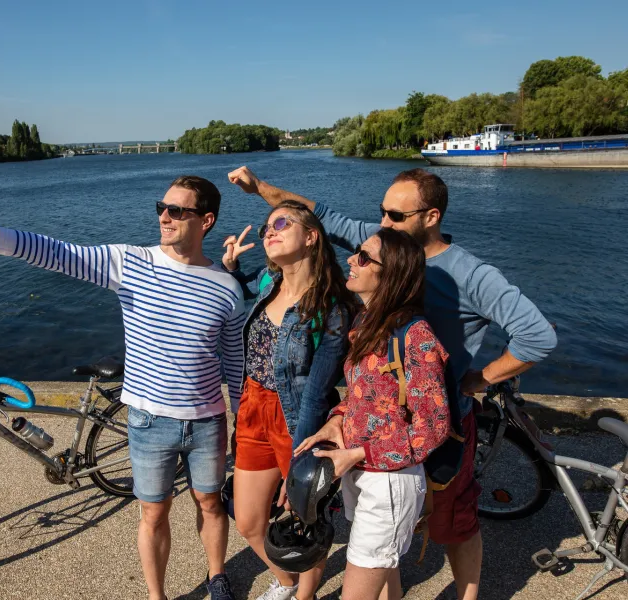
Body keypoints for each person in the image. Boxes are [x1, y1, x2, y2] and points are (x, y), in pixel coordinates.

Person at [227, 166, 557, 600]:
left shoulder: (472, 277)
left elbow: (538, 336)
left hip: (434, 424)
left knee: (452, 525)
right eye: (381, 212)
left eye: (395, 217)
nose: (381, 223)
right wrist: (259, 189)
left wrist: (474, 380)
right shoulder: (373, 277)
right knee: (388, 545)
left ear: (431, 216)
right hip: (379, 426)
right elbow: (321, 215)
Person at [0, 176, 244, 600]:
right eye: (162, 206)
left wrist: (245, 419)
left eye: (178, 210)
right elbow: (57, 253)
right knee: (154, 512)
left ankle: (218, 577)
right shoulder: (131, 262)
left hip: (208, 421)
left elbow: (234, 363)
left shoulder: (227, 287)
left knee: (210, 504)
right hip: (148, 418)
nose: (164, 215)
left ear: (206, 220)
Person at [296, 228, 450, 600]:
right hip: (361, 472)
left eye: (364, 257)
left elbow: (434, 426)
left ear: (390, 273)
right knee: (386, 577)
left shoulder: (416, 336)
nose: (351, 259)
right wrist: (336, 422)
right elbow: (363, 395)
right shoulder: (367, 322)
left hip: (389, 484)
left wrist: (360, 453)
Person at [221, 200, 356, 600]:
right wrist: (230, 268)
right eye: (267, 228)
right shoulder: (268, 281)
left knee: (303, 521)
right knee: (247, 520)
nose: (269, 231)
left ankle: (304, 595)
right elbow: (245, 287)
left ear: (311, 236)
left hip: (297, 415)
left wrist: (301, 459)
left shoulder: (331, 306)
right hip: (252, 407)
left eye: (281, 223)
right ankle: (286, 578)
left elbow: (317, 389)